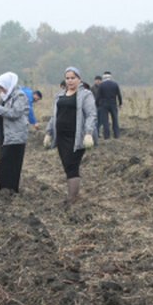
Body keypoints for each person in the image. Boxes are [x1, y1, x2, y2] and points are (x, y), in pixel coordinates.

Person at [44, 67, 97, 205]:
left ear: (79, 79)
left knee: (72, 165)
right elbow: (54, 116)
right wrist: (48, 132)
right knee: (67, 165)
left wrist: (88, 133)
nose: (70, 81)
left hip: (76, 137)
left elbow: (91, 114)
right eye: (67, 78)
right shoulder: (60, 95)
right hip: (61, 137)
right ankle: (71, 196)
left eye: (73, 78)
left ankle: (72, 198)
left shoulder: (85, 95)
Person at [0, 72, 29, 193]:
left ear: (8, 85)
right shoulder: (5, 98)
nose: (0, 90)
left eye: (2, 87)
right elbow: (4, 116)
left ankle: (12, 189)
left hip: (16, 136)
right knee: (4, 163)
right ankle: (3, 189)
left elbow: (15, 113)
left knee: (13, 163)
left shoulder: (19, 96)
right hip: (5, 136)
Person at [96, 71, 122, 139]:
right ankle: (117, 135)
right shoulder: (115, 84)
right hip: (113, 104)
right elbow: (119, 95)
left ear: (103, 77)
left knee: (105, 121)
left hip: (104, 105)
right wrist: (120, 103)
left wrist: (96, 104)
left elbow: (98, 96)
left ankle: (107, 136)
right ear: (110, 77)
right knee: (115, 120)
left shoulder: (101, 85)